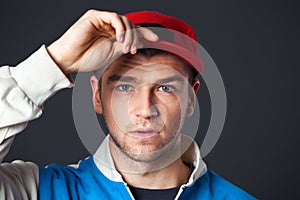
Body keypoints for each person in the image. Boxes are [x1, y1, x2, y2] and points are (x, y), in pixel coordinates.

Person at [0, 9, 256, 199]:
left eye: (165, 88)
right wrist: (56, 60)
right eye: (124, 87)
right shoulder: (38, 191)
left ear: (191, 100)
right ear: (97, 96)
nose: (145, 110)